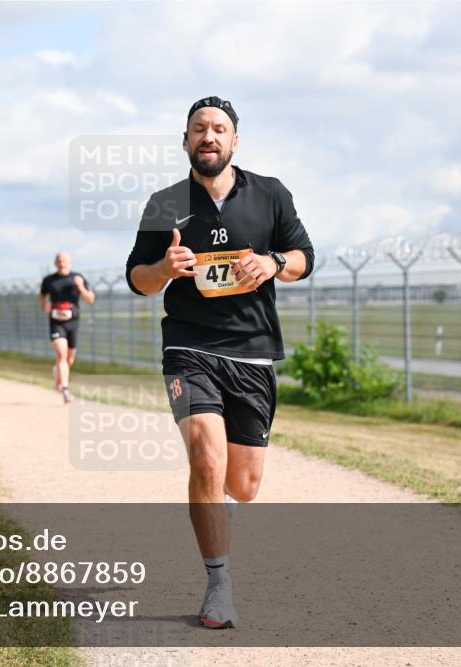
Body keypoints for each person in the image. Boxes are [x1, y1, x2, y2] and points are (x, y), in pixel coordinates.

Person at [125, 96, 314, 629]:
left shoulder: (271, 194)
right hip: (189, 347)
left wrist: (272, 262)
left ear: (235, 140)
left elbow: (304, 257)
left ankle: (220, 512)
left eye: (219, 129)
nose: (209, 136)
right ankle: (219, 582)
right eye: (198, 129)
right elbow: (137, 278)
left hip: (253, 351)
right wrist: (164, 266)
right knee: (206, 459)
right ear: (184, 141)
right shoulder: (165, 203)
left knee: (244, 484)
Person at [39, 252, 95, 403]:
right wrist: (44, 306)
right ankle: (65, 389)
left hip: (73, 322)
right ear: (55, 263)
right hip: (56, 322)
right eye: (59, 261)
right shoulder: (49, 280)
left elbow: (90, 299)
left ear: (69, 262)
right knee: (61, 354)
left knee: (69, 358)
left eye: (64, 261)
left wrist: (80, 287)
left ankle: (58, 375)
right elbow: (42, 296)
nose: (61, 263)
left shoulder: (78, 277)